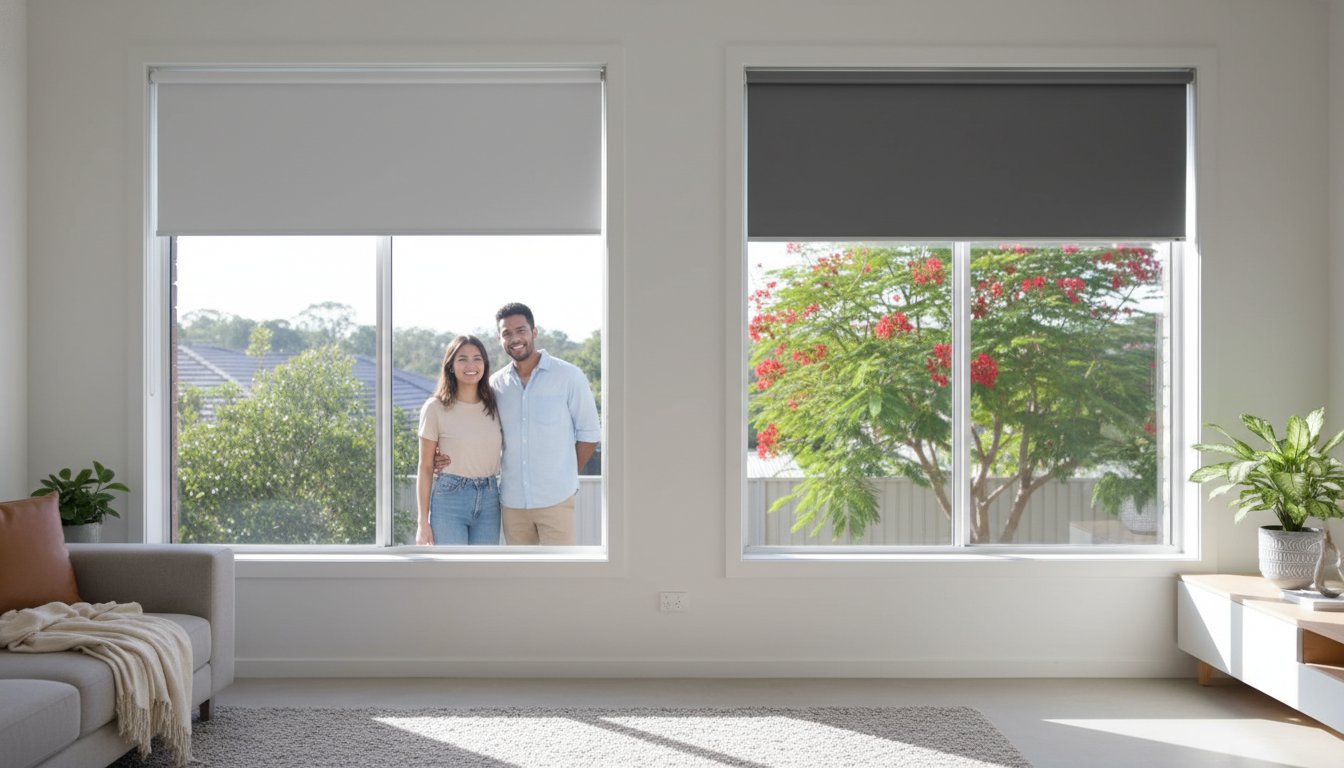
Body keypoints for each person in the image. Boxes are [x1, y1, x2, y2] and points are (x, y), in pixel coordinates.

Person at [435, 302, 600, 544]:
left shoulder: (568, 376)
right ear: (500, 339)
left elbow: (589, 434)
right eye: (507, 333)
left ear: (534, 332)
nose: (515, 338)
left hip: (556, 500)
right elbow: (473, 427)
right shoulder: (494, 385)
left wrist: (564, 474)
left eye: (521, 330)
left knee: (561, 578)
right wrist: (441, 453)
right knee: (520, 578)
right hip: (512, 505)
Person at [416, 335, 503, 546]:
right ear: (451, 366)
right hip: (450, 499)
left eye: (477, 358)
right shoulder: (435, 408)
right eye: (462, 359)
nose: (471, 365)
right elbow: (426, 466)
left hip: (491, 497)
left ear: (485, 364)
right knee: (450, 573)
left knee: (481, 574)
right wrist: (422, 522)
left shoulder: (496, 403)